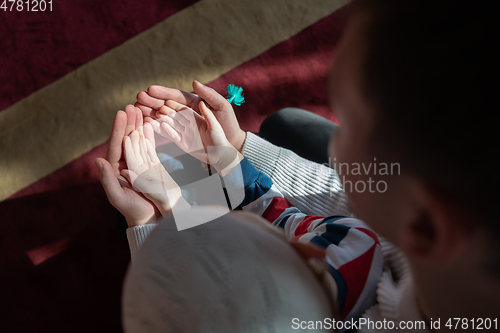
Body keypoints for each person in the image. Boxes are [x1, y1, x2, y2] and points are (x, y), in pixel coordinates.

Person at [124, 0, 500, 331]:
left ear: (423, 224)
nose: (335, 140)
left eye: (347, 122)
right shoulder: (460, 247)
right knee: (284, 126)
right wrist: (238, 149)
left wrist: (156, 225)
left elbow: (191, 316)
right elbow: (345, 196)